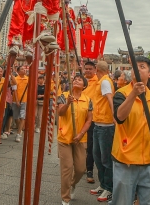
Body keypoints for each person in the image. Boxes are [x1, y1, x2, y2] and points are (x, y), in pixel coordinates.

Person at [112, 56, 150, 205]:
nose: (137, 69)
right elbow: (120, 117)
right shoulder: (121, 93)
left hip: (148, 161)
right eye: (135, 66)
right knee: (122, 202)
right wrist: (133, 94)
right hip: (125, 160)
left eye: (142, 66)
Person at [57, 74, 93, 205]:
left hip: (80, 139)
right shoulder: (64, 96)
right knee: (67, 168)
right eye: (75, 79)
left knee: (80, 169)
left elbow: (89, 120)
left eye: (80, 80)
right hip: (65, 137)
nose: (76, 80)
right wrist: (67, 103)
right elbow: (60, 113)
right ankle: (65, 197)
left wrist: (81, 134)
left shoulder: (88, 100)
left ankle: (72, 184)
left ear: (84, 86)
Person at [89, 60, 114, 201]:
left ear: (97, 69)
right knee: (97, 157)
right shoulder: (102, 81)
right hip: (98, 124)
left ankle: (109, 188)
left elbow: (109, 97)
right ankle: (103, 185)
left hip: (105, 126)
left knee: (105, 159)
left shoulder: (105, 81)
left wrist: (114, 115)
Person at [81, 60, 98, 184]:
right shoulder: (81, 81)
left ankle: (89, 169)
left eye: (90, 69)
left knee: (91, 145)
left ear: (95, 69)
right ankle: (80, 165)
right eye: (86, 69)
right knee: (80, 142)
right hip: (80, 116)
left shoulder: (99, 82)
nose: (87, 71)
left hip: (93, 118)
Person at [12, 65, 29, 143]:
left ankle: (18, 134)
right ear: (18, 71)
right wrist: (17, 100)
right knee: (16, 117)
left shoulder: (28, 79)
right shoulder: (15, 79)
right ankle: (20, 129)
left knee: (22, 117)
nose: (24, 70)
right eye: (22, 69)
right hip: (15, 101)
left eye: (24, 69)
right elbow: (14, 90)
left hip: (24, 101)